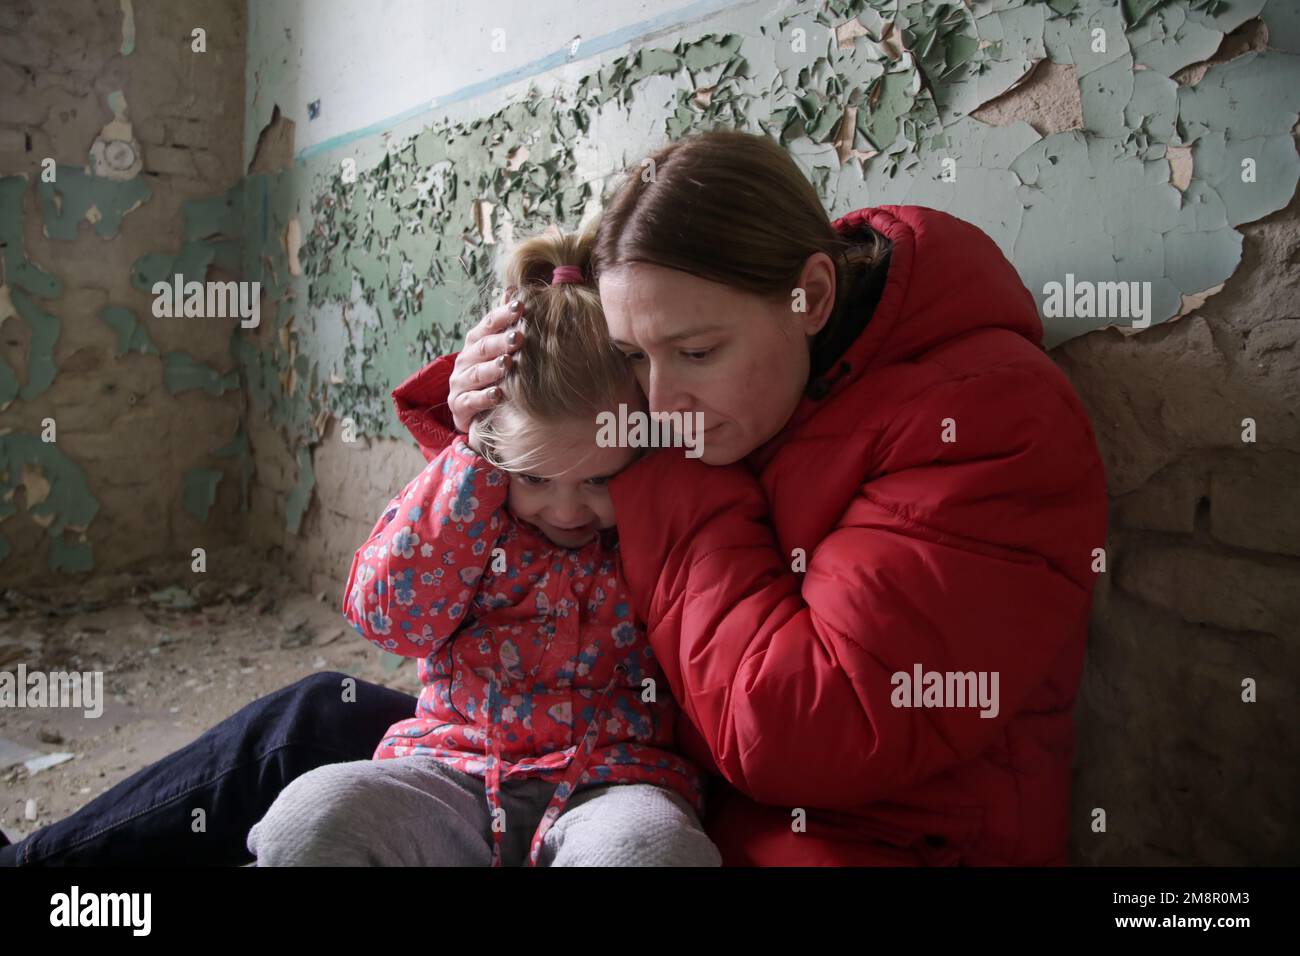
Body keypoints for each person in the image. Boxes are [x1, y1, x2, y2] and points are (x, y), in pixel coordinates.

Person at [1, 130, 1107, 868]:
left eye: (695, 353)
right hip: (543, 754)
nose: (663, 400)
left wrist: (639, 453)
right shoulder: (759, 364)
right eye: (638, 356)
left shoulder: (990, 422)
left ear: (809, 295)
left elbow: (802, 731)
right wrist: (497, 393)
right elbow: (532, 468)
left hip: (805, 829)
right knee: (316, 723)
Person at [245, 228, 717, 866]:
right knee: (308, 818)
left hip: (613, 782)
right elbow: (389, 620)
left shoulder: (660, 521)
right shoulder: (468, 505)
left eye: (600, 478)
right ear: (492, 453)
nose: (568, 509)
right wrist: (467, 469)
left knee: (649, 851)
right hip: (452, 769)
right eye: (535, 477)